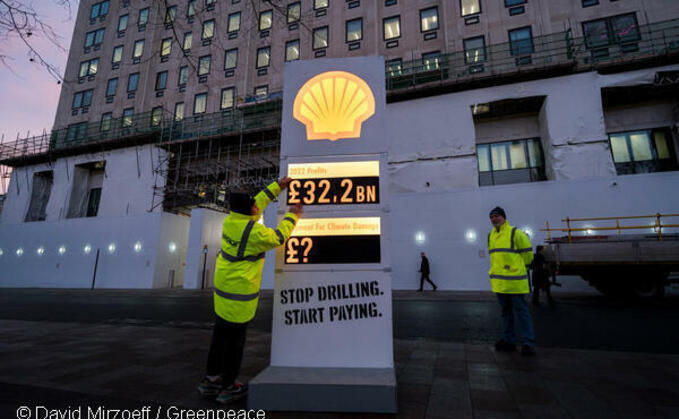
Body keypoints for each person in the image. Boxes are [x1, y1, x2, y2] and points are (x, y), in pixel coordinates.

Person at [198, 177, 302, 404]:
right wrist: (293, 214)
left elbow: (258, 202)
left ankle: (210, 381)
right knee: (235, 343)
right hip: (239, 295)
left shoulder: (232, 220)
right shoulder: (254, 233)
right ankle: (228, 387)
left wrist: (278, 185)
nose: (257, 205)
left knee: (219, 338)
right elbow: (279, 237)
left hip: (223, 289)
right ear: (249, 211)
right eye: (253, 204)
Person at [487, 206, 536, 357]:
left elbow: (528, 256)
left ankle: (528, 343)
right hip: (500, 284)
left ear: (504, 217)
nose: (494, 219)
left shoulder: (516, 233)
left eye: (497, 216)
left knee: (522, 313)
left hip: (515, 283)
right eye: (492, 217)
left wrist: (520, 269)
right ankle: (509, 340)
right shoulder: (491, 236)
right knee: (505, 313)